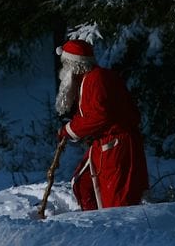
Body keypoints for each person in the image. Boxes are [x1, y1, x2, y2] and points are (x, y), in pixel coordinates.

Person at [55, 39, 149, 210]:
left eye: (65, 65)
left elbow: (99, 115)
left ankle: (112, 231)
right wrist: (72, 126)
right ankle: (94, 226)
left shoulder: (97, 78)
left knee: (117, 202)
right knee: (82, 184)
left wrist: (70, 130)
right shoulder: (89, 80)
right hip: (104, 145)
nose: (63, 71)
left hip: (116, 147)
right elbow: (93, 113)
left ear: (74, 65)